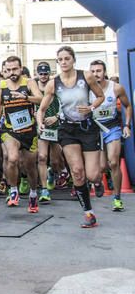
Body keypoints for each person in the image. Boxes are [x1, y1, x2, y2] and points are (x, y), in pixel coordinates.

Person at [37, 46, 104, 228]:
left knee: (92, 174)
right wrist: (40, 122)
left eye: (67, 58)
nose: (64, 62)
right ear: (57, 62)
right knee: (77, 171)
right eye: (60, 59)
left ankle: (97, 181)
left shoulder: (86, 76)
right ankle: (89, 213)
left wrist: (90, 108)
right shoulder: (53, 83)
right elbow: (41, 109)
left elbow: (100, 96)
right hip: (67, 130)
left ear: (73, 60)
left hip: (87, 128)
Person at [0, 56, 42, 213]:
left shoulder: (29, 82)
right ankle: (13, 190)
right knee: (12, 158)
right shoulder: (1, 85)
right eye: (8, 70)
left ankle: (33, 193)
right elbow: (0, 103)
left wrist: (26, 97)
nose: (12, 73)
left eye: (15, 69)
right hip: (10, 130)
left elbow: (41, 99)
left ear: (21, 68)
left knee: (29, 166)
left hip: (28, 131)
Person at [89, 59, 132, 211]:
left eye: (99, 71)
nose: (96, 74)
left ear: (105, 72)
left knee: (113, 162)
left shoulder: (116, 88)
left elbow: (127, 106)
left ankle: (117, 198)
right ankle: (98, 182)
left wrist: (127, 125)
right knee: (101, 168)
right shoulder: (87, 89)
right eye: (93, 71)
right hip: (95, 129)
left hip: (112, 127)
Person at [33, 62, 65, 203]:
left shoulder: (56, 85)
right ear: (37, 73)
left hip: (56, 124)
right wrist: (34, 115)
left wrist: (56, 117)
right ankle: (44, 190)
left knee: (56, 159)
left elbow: (66, 104)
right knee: (41, 157)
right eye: (41, 73)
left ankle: (53, 172)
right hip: (41, 126)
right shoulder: (33, 86)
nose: (43, 76)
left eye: (46, 73)